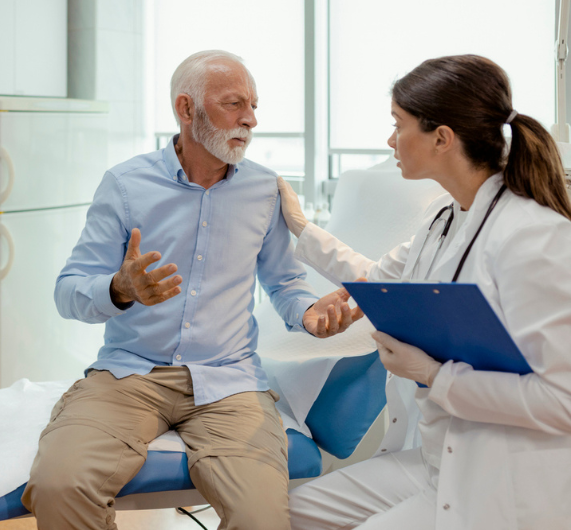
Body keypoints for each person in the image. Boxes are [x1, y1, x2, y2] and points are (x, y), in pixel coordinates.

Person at [19, 50, 363, 530]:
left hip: (230, 384)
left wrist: (307, 314)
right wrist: (120, 289)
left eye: (254, 105)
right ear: (186, 109)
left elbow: (285, 284)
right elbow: (68, 291)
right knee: (61, 486)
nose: (251, 119)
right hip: (131, 377)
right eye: (234, 104)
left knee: (261, 518)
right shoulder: (124, 185)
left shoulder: (265, 191)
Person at [277, 54, 571, 530]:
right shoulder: (445, 218)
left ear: (441, 138)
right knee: (288, 512)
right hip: (437, 458)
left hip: (499, 474)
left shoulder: (535, 238)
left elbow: (562, 401)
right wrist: (301, 228)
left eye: (398, 124)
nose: (389, 140)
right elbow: (378, 279)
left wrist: (434, 375)